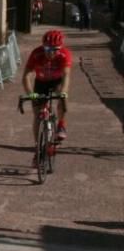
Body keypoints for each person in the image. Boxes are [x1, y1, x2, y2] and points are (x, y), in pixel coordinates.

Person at [22, 29, 72, 163]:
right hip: (41, 83)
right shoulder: (36, 54)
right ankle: (38, 147)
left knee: (62, 98)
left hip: (57, 82)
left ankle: (61, 124)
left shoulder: (64, 54)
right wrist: (31, 94)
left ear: (60, 48)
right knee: (38, 115)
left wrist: (64, 92)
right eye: (47, 49)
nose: (51, 53)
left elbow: (66, 75)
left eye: (54, 49)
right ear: (43, 46)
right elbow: (26, 76)